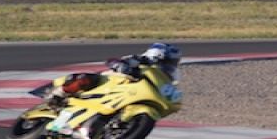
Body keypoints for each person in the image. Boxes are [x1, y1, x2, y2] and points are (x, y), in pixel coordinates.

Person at [46, 42, 182, 109]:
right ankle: (58, 94)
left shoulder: (167, 75)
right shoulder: (139, 60)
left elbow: (169, 86)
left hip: (131, 93)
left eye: (173, 62)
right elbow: (111, 61)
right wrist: (121, 66)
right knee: (87, 79)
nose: (171, 64)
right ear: (158, 56)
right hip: (110, 82)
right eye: (169, 61)